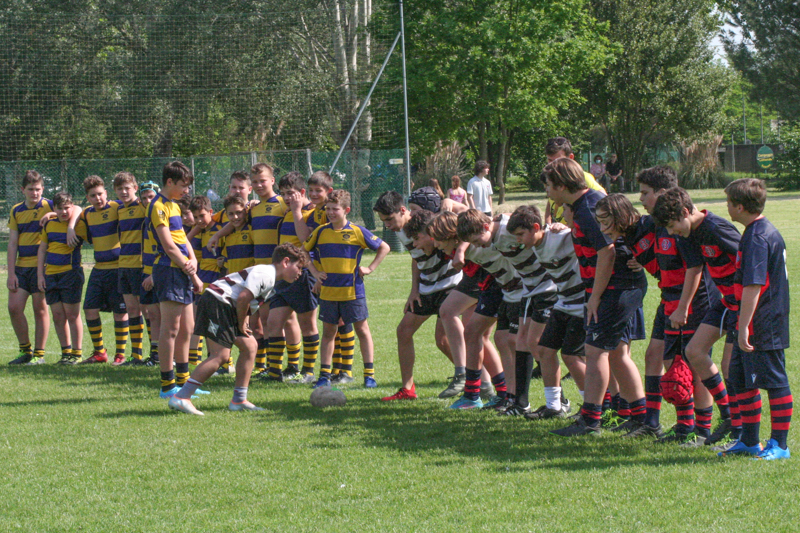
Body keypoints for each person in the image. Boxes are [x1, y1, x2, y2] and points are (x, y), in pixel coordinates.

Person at [543, 158, 648, 437]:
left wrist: (594, 297)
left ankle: (591, 420)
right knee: (615, 353)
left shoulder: (590, 208)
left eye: (549, 185)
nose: (547, 191)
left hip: (616, 288)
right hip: (615, 287)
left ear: (563, 185)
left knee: (594, 351)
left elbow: (608, 251)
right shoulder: (579, 205)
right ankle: (640, 418)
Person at [623, 167, 722, 444]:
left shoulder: (682, 227)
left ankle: (701, 429)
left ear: (663, 194)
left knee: (692, 361)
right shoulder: (656, 224)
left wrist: (684, 306)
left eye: (645, 193)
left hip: (691, 302)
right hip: (669, 299)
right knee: (663, 358)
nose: (640, 198)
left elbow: (695, 268)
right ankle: (675, 425)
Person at [168, 244, 308, 416]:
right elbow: (242, 299)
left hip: (226, 306)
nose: (300, 273)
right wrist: (241, 323)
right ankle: (182, 397)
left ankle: (239, 400)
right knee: (220, 356)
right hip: (217, 302)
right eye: (299, 267)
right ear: (286, 262)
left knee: (250, 346)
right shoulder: (266, 274)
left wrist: (244, 323)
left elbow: (247, 303)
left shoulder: (271, 280)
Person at [651, 187, 742, 450]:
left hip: (741, 304)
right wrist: (682, 307)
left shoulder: (715, 228)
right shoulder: (687, 234)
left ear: (685, 212)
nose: (670, 232)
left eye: (672, 225)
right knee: (694, 351)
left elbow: (748, 260)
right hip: (726, 302)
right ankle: (728, 417)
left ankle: (740, 429)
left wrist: (752, 305)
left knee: (729, 367)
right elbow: (693, 268)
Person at [721, 179, 792, 459]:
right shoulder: (753, 232)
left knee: (774, 380)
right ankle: (749, 441)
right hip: (752, 319)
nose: (726, 207)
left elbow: (754, 286)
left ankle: (780, 445)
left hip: (764, 321)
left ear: (739, 206)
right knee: (740, 379)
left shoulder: (758, 236)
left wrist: (743, 327)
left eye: (728, 202)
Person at [304, 190, 390, 388]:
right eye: (328, 209)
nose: (331, 213)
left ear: (347, 210)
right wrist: (315, 272)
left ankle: (369, 375)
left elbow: (384, 247)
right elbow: (304, 252)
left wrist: (370, 268)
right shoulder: (320, 232)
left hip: (353, 292)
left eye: (336, 209)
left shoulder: (357, 231)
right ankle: (324, 375)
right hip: (328, 293)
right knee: (328, 333)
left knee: (362, 330)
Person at [507, 204, 585, 419]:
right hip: (564, 301)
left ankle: (594, 407)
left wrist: (563, 227)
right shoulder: (536, 243)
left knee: (572, 356)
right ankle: (554, 407)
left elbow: (596, 242)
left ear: (535, 227)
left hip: (582, 303)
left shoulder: (561, 236)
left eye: (521, 234)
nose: (518, 240)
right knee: (545, 350)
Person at [379, 208, 462, 400]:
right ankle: (408, 389)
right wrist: (414, 290)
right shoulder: (402, 232)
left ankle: (476, 378)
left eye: (389, 219)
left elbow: (461, 226)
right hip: (426, 289)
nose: (387, 225)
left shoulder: (432, 227)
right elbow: (416, 260)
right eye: (384, 220)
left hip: (450, 286)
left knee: (443, 340)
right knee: (404, 331)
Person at [147, 161, 204, 398]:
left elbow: (182, 240)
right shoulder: (158, 206)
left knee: (188, 328)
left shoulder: (174, 205)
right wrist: (191, 272)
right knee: (170, 329)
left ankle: (184, 383)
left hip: (182, 270)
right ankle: (167, 387)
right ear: (169, 182)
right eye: (183, 186)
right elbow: (169, 246)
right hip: (170, 271)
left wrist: (194, 261)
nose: (186, 191)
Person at [264, 171, 322, 384]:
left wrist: (298, 211)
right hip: (281, 277)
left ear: (302, 192)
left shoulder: (311, 212)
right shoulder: (287, 212)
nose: (287, 198)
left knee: (307, 323)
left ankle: (307, 371)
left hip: (302, 274)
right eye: (283, 194)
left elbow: (305, 239)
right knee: (274, 321)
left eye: (291, 193)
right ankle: (276, 372)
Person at [6, 171, 59, 364]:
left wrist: (53, 213)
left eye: (37, 189)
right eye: (30, 190)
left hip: (42, 268)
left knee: (40, 309)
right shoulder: (16, 210)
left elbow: (72, 210)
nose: (34, 193)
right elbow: (12, 244)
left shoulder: (49, 205)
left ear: (43, 189)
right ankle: (25, 351)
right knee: (14, 307)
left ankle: (39, 355)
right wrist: (10, 273)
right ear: (23, 190)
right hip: (21, 267)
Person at [77, 175, 129, 365]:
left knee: (120, 311)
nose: (97, 198)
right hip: (98, 269)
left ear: (106, 193)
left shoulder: (117, 207)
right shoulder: (86, 214)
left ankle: (120, 355)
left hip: (118, 268)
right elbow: (73, 213)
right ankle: (100, 352)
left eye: (100, 194)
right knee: (90, 308)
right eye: (93, 195)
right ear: (88, 197)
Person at [36, 192, 88, 365]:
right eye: (60, 208)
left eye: (67, 208)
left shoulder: (78, 224)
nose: (64, 211)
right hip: (50, 275)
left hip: (70, 274)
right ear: (54, 209)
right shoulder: (48, 224)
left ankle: (77, 353)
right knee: (58, 315)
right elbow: (42, 250)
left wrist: (71, 226)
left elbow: (81, 210)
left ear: (72, 207)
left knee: (72, 315)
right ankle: (66, 352)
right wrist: (40, 275)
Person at [113, 172, 147, 365]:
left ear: (135, 188)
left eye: (127, 188)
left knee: (147, 310)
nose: (124, 192)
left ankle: (156, 354)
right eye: (120, 189)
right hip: (123, 265)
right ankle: (136, 355)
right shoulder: (118, 209)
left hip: (139, 265)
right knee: (132, 309)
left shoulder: (143, 206)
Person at [186, 195, 223, 366]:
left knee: (217, 320)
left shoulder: (220, 227)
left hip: (217, 278)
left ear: (211, 212)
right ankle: (200, 359)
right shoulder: (200, 231)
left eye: (202, 216)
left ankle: (224, 360)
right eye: (196, 217)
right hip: (203, 278)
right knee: (202, 320)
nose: (200, 220)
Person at [542, 137, 606, 225]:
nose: (552, 165)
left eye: (558, 160)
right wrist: (547, 223)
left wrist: (578, 224)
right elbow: (550, 202)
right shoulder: (552, 178)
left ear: (571, 157)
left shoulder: (581, 177)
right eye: (549, 160)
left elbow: (603, 197)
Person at [138, 181, 162, 366]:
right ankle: (155, 355)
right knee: (152, 314)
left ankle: (175, 357)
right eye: (144, 197)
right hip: (146, 269)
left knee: (166, 316)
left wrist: (155, 274)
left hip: (160, 270)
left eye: (151, 196)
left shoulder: (161, 213)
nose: (147, 200)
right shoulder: (145, 215)